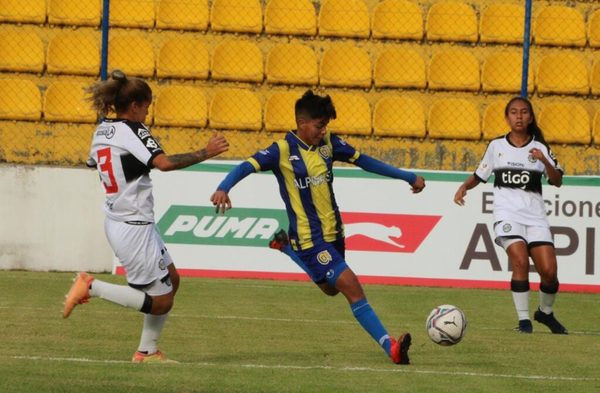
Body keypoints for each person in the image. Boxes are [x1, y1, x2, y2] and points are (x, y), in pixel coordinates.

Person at [211, 90, 425, 364]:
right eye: (319, 125)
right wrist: (223, 188)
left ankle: (285, 248)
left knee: (331, 289)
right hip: (309, 238)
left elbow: (367, 162)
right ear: (302, 123)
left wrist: (407, 176)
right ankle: (391, 348)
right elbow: (246, 166)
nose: (323, 130)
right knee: (352, 287)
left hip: (334, 232)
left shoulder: (329, 144)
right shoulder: (281, 151)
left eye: (326, 125)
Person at [62, 70, 229, 362]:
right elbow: (163, 163)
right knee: (161, 303)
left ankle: (147, 351)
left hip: (123, 220)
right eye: (147, 106)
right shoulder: (134, 130)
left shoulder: (103, 130)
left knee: (172, 280)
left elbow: (93, 162)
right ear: (136, 104)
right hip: (133, 226)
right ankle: (92, 287)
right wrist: (207, 151)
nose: (148, 113)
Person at [453, 96, 567, 334]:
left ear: (531, 117)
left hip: (535, 217)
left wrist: (544, 160)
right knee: (519, 261)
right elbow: (480, 174)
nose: (519, 116)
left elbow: (557, 181)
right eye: (514, 112)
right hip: (507, 215)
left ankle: (544, 314)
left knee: (549, 271)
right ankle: (524, 321)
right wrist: (464, 186)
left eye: (524, 112)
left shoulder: (541, 147)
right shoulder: (497, 146)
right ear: (507, 117)